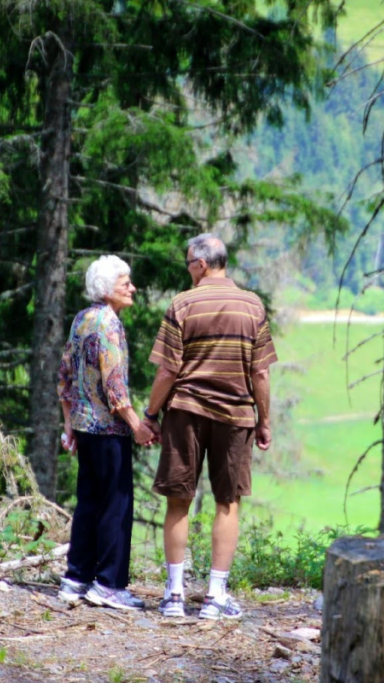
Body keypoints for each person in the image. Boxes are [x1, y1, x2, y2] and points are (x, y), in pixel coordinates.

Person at [142, 233, 276, 620]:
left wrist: (150, 416)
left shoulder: (182, 303)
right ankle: (216, 597)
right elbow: (261, 372)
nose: (187, 270)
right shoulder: (252, 305)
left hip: (185, 412)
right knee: (227, 503)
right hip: (235, 416)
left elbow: (168, 370)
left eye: (188, 264)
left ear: (201, 264)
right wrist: (264, 421)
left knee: (178, 501)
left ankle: (174, 596)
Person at [56, 255, 154, 611]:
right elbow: (115, 388)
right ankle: (109, 584)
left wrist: (69, 427)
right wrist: (138, 426)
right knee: (116, 504)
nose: (132, 288)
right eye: (125, 282)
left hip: (84, 427)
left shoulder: (82, 319)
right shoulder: (109, 324)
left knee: (89, 503)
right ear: (107, 288)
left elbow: (64, 377)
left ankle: (76, 578)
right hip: (109, 430)